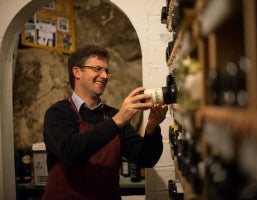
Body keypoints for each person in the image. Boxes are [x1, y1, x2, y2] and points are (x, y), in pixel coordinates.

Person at [42, 45, 167, 199]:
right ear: (77, 72)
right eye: (97, 69)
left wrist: (152, 128)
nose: (105, 76)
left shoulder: (113, 115)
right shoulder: (58, 113)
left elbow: (145, 159)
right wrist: (118, 121)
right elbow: (70, 151)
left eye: (106, 71)